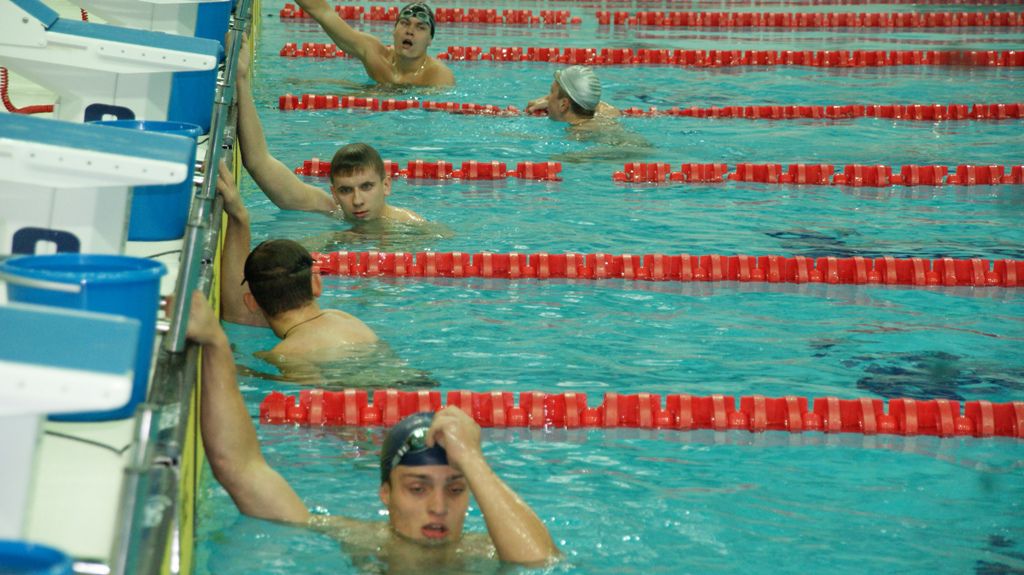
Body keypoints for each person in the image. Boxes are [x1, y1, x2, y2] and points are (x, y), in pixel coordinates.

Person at [185, 292, 559, 568]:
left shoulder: (486, 552)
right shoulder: (361, 541)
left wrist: (473, 460)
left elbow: (541, 563)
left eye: (456, 489)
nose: (438, 507)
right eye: (417, 488)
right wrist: (216, 345)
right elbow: (240, 468)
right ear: (385, 493)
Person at [235, 37, 425, 227]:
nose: (357, 201)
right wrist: (241, 78)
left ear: (386, 185)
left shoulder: (411, 227)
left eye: (366, 187)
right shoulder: (332, 211)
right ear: (334, 193)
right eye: (345, 190)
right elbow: (258, 161)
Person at [294, 0, 454, 87]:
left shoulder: (438, 76)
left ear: (430, 39)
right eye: (405, 23)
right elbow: (324, 13)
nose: (410, 31)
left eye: (420, 27)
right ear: (394, 30)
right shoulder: (375, 54)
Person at [525, 65, 621, 128]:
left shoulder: (576, 137)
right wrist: (554, 101)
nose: (547, 98)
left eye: (551, 93)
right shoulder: (608, 117)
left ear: (563, 105)